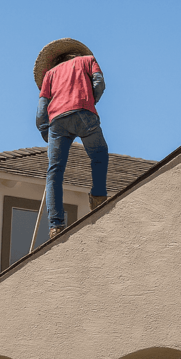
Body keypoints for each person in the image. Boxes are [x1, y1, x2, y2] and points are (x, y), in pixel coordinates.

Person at [34, 38, 108, 240]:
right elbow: (99, 83)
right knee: (99, 154)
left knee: (54, 172)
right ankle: (99, 197)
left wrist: (44, 130)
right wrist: (89, 101)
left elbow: (42, 108)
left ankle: (56, 225)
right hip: (84, 112)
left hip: (57, 121)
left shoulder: (50, 74)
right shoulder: (88, 60)